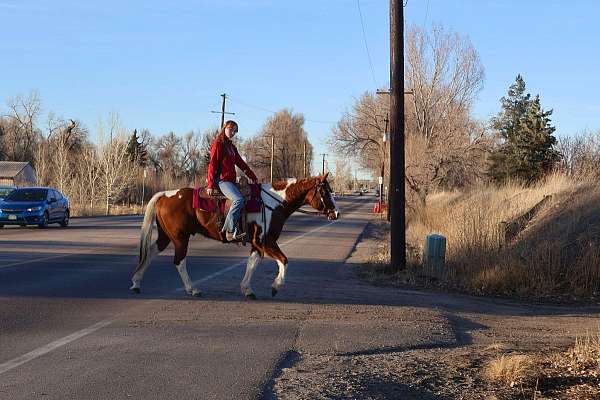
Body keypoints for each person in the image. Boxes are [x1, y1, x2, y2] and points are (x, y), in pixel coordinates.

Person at [207, 120, 258, 241]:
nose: (233, 132)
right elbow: (212, 164)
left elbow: (241, 164)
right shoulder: (218, 144)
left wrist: (253, 176)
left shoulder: (231, 147)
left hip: (230, 180)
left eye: (235, 131)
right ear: (224, 128)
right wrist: (210, 184)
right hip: (222, 181)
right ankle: (229, 230)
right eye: (231, 129)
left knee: (246, 197)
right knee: (238, 199)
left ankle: (238, 229)